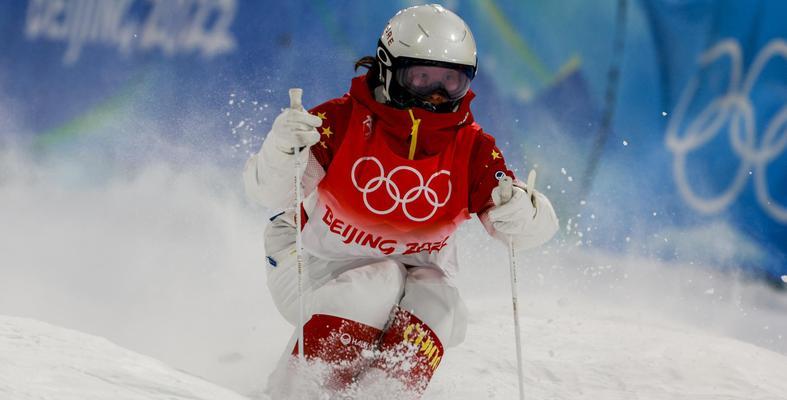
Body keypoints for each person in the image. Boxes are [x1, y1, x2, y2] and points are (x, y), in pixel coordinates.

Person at [243, 4, 558, 398]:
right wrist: (281, 152)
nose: (437, 94)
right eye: (422, 78)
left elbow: (521, 230)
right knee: (379, 279)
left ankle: (385, 392)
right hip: (312, 264)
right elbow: (267, 193)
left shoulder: (472, 147)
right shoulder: (340, 122)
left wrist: (526, 214)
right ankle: (297, 391)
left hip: (406, 279)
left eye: (451, 81)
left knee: (436, 296)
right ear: (389, 69)